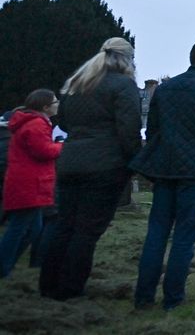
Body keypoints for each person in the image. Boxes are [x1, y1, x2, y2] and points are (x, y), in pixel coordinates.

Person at [131, 40, 195, 310]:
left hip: (165, 169)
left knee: (156, 232)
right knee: (185, 236)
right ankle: (173, 298)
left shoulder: (165, 89)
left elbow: (152, 130)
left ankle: (143, 297)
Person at [39, 38, 142, 300]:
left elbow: (66, 122)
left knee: (64, 225)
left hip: (70, 161)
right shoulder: (123, 86)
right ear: (127, 59)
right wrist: (134, 162)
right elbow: (129, 131)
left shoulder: (77, 84)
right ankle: (70, 287)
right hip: (105, 166)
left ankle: (48, 284)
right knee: (86, 230)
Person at [0, 91, 62, 278]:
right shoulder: (36, 124)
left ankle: (7, 266)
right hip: (30, 182)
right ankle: (3, 267)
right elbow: (43, 150)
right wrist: (63, 145)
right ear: (45, 107)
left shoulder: (32, 122)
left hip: (28, 181)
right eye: (55, 102)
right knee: (20, 228)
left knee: (32, 228)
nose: (57, 104)